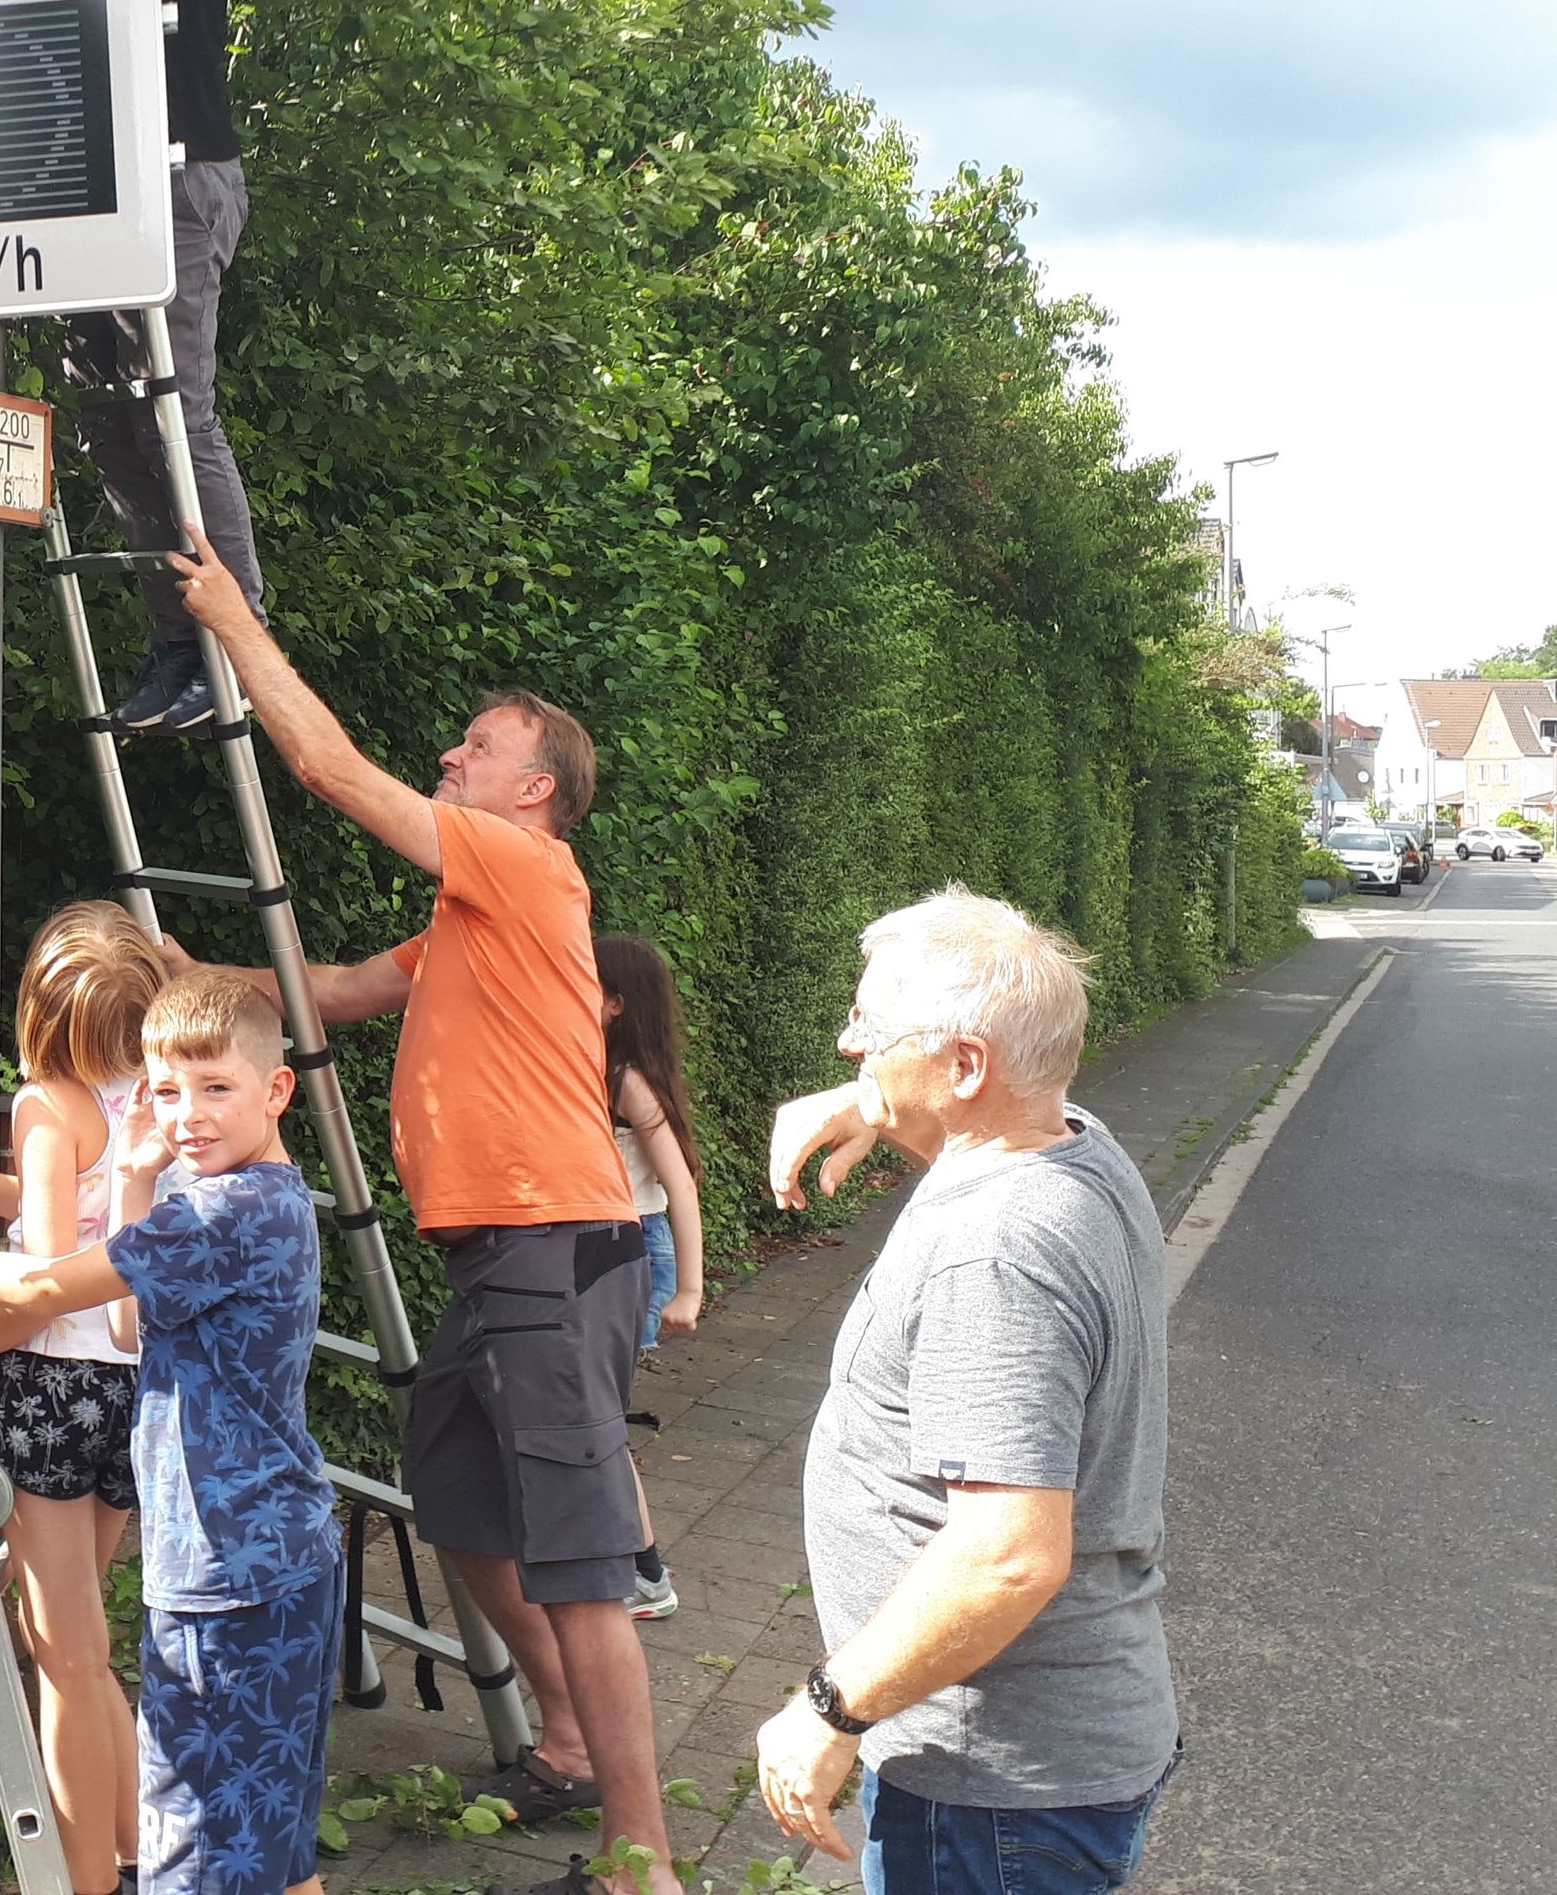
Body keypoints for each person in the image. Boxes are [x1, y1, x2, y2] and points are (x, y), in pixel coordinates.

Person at [158, 536, 679, 1894]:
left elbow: (331, 773)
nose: (453, 757)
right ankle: (563, 1741)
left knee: (581, 1567)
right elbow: (325, 994)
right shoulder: (471, 914)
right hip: (501, 1255)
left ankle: (644, 1861)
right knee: (455, 1498)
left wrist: (230, 623)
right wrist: (168, 963)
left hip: (554, 1251)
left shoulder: (522, 864)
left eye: (476, 744)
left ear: (535, 786)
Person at [0, 967, 340, 1895]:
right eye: (164, 1092)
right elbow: (126, 1329)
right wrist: (135, 1178)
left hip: (225, 1574)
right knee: (271, 1846)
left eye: (214, 1089)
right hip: (284, 1554)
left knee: (199, 1856)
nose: (186, 1113)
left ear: (277, 1090)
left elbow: (41, 1287)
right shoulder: (267, 1194)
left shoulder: (221, 1216)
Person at [758, 887, 1180, 1889]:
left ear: (964, 1065)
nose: (849, 1041)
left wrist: (829, 1709)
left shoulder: (995, 1250)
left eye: (871, 1029)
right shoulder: (1080, 1148)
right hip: (1036, 1765)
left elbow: (1007, 1560)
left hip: (989, 1785)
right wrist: (869, 1101)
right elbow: (1008, 1090)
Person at [0, 902, 169, 1895]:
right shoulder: (151, 1093)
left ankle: (84, 1876)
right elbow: (73, 1203)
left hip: (51, 1388)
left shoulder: (49, 1103)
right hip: (131, 1387)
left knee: (64, 1657)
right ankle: (139, 1850)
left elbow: (44, 1280)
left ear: (37, 1011)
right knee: (81, 1637)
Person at [65, 0, 266, 733]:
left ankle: (237, 643)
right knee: (108, 423)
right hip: (102, 186)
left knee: (175, 414)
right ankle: (179, 644)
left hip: (179, 172)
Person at [595, 934, 705, 1623]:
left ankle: (646, 1575)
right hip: (605, 1249)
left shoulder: (627, 1080)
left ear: (614, 1002)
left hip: (633, 1252)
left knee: (598, 1423)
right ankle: (628, 1565)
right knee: (593, 1419)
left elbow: (679, 1186)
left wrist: (690, 1287)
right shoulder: (593, 1065)